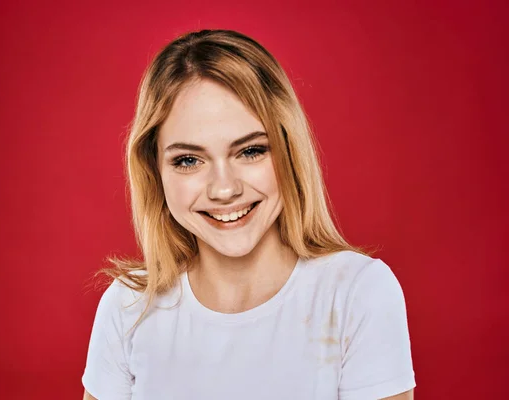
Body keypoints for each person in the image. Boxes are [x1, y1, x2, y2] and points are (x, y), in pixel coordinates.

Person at [82, 29, 416, 400]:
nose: (224, 189)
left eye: (251, 151)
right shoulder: (128, 305)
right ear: (155, 172)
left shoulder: (357, 292)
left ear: (289, 150)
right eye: (189, 160)